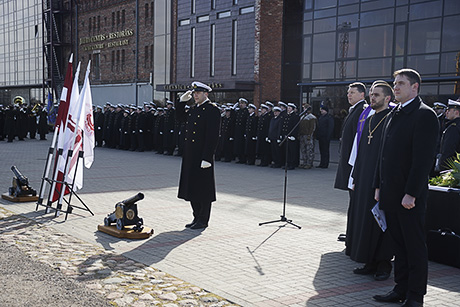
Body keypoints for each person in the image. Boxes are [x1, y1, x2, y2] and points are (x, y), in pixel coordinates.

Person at [373, 69, 439, 307]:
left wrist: (411, 192)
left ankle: (414, 296)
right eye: (395, 83)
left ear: (415, 87)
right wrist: (378, 186)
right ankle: (400, 288)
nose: (396, 87)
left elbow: (423, 161)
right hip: (390, 194)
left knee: (414, 248)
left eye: (401, 83)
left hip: (409, 197)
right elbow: (383, 155)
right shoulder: (395, 114)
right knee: (398, 246)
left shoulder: (424, 115)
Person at [346, 81, 394, 281]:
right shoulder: (369, 118)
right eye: (371, 94)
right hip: (363, 178)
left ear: (387, 98)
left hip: (379, 181)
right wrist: (355, 176)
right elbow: (361, 151)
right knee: (365, 221)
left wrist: (379, 183)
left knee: (380, 224)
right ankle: (369, 261)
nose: (372, 98)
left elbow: (389, 156)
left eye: (376, 95)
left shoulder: (392, 120)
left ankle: (383, 265)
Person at [177, 81, 221, 230]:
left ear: (206, 94)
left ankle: (203, 219)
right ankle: (196, 217)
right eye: (194, 93)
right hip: (191, 154)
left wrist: (207, 157)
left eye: (198, 93)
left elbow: (212, 136)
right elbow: (179, 119)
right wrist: (181, 103)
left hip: (203, 155)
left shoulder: (212, 110)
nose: (195, 95)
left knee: (203, 189)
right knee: (191, 187)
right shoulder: (194, 109)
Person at [334, 82, 367, 241]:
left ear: (362, 95)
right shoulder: (355, 110)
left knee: (355, 201)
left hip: (353, 164)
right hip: (348, 162)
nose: (349, 95)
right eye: (348, 92)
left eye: (352, 92)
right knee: (352, 200)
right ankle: (351, 232)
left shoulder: (362, 111)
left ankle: (353, 234)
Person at [436, 99, 460, 171]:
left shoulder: (453, 127)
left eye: (449, 110)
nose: (447, 112)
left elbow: (448, 150)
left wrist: (443, 167)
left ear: (456, 112)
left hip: (451, 168)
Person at [298, 104, 316, 169]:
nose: (304, 109)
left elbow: (312, 128)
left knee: (309, 149)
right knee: (303, 149)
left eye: (305, 108)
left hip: (307, 135)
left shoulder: (311, 117)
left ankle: (309, 163)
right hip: (302, 135)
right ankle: (304, 162)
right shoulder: (302, 116)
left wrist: (309, 135)